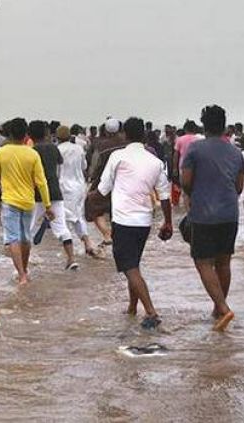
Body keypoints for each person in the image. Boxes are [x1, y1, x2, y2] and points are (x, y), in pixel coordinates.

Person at [97, 117, 173, 330]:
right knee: (134, 264)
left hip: (123, 220)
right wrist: (168, 222)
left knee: (129, 267)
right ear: (143, 135)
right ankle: (132, 307)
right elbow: (165, 195)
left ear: (125, 135)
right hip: (144, 221)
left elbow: (104, 188)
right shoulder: (155, 162)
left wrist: (91, 201)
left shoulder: (118, 156)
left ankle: (151, 311)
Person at [181, 105, 244, 332]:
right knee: (224, 262)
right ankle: (218, 310)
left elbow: (186, 182)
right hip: (229, 214)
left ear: (204, 125)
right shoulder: (236, 153)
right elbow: (239, 187)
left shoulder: (195, 149)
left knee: (203, 262)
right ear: (224, 125)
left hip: (204, 214)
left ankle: (223, 307)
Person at [0, 118, 52, 285]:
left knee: (12, 238)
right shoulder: (32, 153)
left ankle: (21, 274)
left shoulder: (1, 152)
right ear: (25, 134)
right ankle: (25, 270)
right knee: (25, 237)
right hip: (28, 201)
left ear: (10, 134)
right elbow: (41, 182)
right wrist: (47, 205)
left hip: (9, 201)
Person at [27, 121, 78, 270]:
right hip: (55, 192)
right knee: (61, 227)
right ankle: (71, 258)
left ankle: (26, 261)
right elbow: (58, 170)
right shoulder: (54, 149)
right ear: (46, 133)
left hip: (37, 195)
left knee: (29, 228)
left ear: (30, 135)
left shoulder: (32, 151)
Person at [56, 125, 99, 258]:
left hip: (64, 186)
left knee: (67, 218)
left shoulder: (57, 150)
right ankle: (85, 243)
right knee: (78, 215)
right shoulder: (78, 148)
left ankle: (79, 246)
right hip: (80, 185)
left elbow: (57, 171)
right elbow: (84, 166)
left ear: (57, 138)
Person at [87, 118, 126, 247]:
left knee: (92, 207)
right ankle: (118, 237)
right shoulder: (126, 144)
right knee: (116, 211)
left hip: (103, 181)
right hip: (123, 181)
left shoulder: (101, 146)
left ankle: (107, 234)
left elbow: (95, 165)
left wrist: (91, 178)